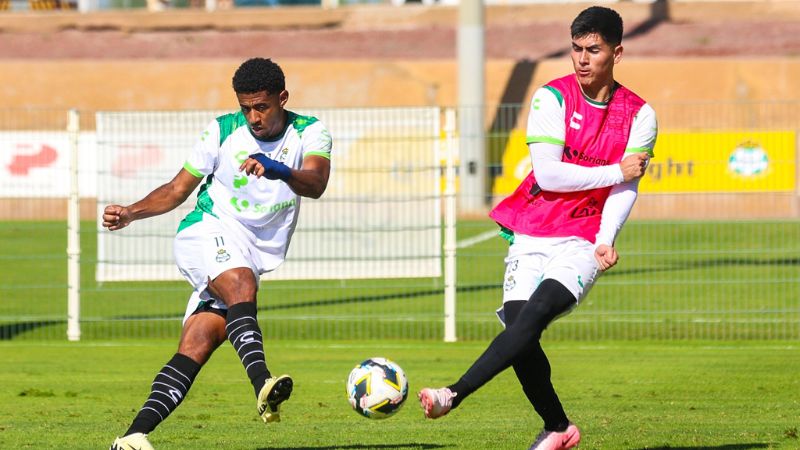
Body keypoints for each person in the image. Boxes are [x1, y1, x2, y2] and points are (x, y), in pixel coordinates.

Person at [418, 6, 657, 450]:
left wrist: (606, 238)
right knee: (518, 327)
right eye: (576, 49)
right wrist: (615, 171)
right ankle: (558, 428)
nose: (582, 59)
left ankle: (453, 393)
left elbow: (627, 189)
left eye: (594, 50)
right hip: (532, 230)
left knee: (532, 319)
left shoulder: (640, 115)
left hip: (582, 239)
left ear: (617, 53)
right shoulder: (552, 98)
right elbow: (549, 176)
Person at [106, 57, 332, 450]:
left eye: (261, 106)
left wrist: (278, 169)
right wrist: (130, 212)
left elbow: (315, 183)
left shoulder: (310, 132)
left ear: (282, 98)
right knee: (241, 282)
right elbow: (177, 190)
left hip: (251, 250)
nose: (253, 116)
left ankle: (130, 437)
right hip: (206, 231)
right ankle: (263, 383)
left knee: (198, 342)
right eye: (246, 107)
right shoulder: (223, 130)